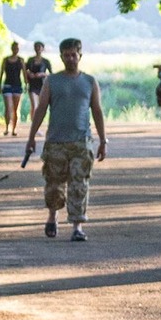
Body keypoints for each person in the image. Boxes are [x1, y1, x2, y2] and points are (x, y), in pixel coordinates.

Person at [24, 38, 108, 241]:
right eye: (66, 55)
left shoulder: (89, 81)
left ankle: (77, 226)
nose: (71, 58)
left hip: (81, 141)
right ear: (61, 56)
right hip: (56, 142)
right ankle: (52, 216)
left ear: (80, 56)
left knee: (79, 183)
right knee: (54, 184)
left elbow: (97, 111)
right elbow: (41, 109)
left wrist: (103, 140)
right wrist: (32, 137)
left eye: (74, 54)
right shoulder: (51, 81)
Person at [0, 42, 27, 135]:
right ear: (11, 48)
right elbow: (1, 72)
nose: (15, 50)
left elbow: (24, 73)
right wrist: (0, 85)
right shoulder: (5, 60)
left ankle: (14, 129)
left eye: (17, 48)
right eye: (14, 48)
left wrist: (26, 84)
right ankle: (7, 128)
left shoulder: (21, 60)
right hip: (7, 85)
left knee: (15, 108)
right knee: (8, 107)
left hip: (17, 86)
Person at [23, 41, 53, 122]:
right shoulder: (30, 60)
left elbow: (51, 74)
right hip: (32, 85)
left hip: (42, 86)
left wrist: (42, 74)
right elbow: (24, 71)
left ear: (43, 49)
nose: (38, 48)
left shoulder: (46, 61)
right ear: (34, 48)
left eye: (40, 47)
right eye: (37, 47)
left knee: (41, 107)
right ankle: (34, 125)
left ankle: (38, 123)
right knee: (34, 106)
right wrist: (29, 74)